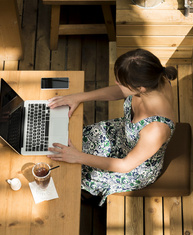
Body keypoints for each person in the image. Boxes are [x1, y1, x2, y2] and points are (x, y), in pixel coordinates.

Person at [47, 49, 177, 206]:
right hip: (122, 135)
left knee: (70, 171)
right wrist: (79, 97)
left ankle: (86, 195)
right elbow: (120, 92)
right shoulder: (153, 79)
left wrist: (78, 156)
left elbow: (125, 165)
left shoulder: (157, 129)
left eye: (121, 82)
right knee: (70, 140)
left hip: (133, 168)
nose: (116, 83)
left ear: (140, 88)